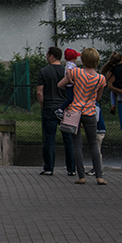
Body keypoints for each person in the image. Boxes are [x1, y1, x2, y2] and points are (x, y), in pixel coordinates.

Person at [57, 46, 107, 184]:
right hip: (90, 112)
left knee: (77, 144)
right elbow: (98, 98)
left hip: (74, 111)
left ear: (82, 60)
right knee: (93, 145)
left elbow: (60, 85)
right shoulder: (101, 78)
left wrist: (71, 86)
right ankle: (99, 176)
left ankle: (81, 176)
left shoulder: (75, 73)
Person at [36, 46, 75, 176]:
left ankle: (49, 168)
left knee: (49, 138)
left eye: (47, 55)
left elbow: (39, 92)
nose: (47, 57)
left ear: (52, 56)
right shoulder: (67, 71)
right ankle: (71, 168)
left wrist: (43, 105)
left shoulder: (44, 71)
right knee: (68, 138)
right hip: (65, 107)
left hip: (49, 107)